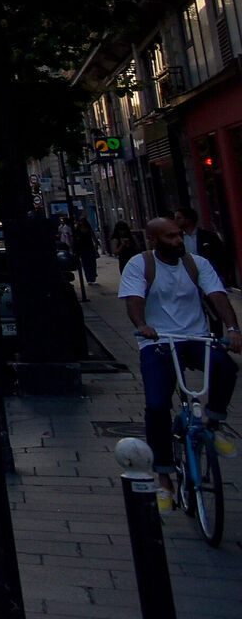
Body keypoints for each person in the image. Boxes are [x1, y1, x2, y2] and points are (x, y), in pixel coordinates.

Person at [120, 214, 239, 500]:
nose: (178, 241)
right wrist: (142, 326)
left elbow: (217, 295)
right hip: (158, 342)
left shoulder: (196, 263)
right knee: (158, 405)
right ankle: (163, 476)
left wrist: (233, 329)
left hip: (195, 337)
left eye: (179, 235)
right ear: (154, 239)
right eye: (170, 237)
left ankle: (213, 422)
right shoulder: (140, 265)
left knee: (227, 368)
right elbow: (134, 301)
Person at [71, 217, 100, 293]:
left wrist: (96, 243)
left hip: (89, 246)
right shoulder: (77, 229)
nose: (82, 223)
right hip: (82, 248)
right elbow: (74, 239)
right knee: (85, 263)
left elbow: (93, 235)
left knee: (92, 262)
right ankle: (89, 278)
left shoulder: (88, 228)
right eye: (81, 221)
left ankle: (93, 275)